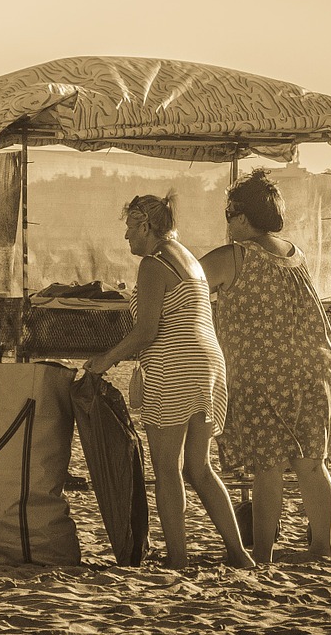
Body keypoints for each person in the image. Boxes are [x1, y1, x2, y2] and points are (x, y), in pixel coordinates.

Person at [84, 194, 253, 569]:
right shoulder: (188, 257)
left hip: (175, 367)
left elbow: (146, 332)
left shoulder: (152, 263)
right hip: (209, 363)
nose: (126, 236)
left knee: (167, 469)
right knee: (199, 468)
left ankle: (178, 558)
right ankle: (239, 554)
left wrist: (104, 361)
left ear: (146, 226)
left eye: (130, 227)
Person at [199, 168, 331, 563]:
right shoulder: (294, 255)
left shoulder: (234, 256)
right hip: (315, 371)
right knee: (312, 464)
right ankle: (322, 547)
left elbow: (184, 282)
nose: (226, 222)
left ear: (243, 218)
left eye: (229, 214)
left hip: (265, 376)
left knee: (268, 468)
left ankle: (262, 553)